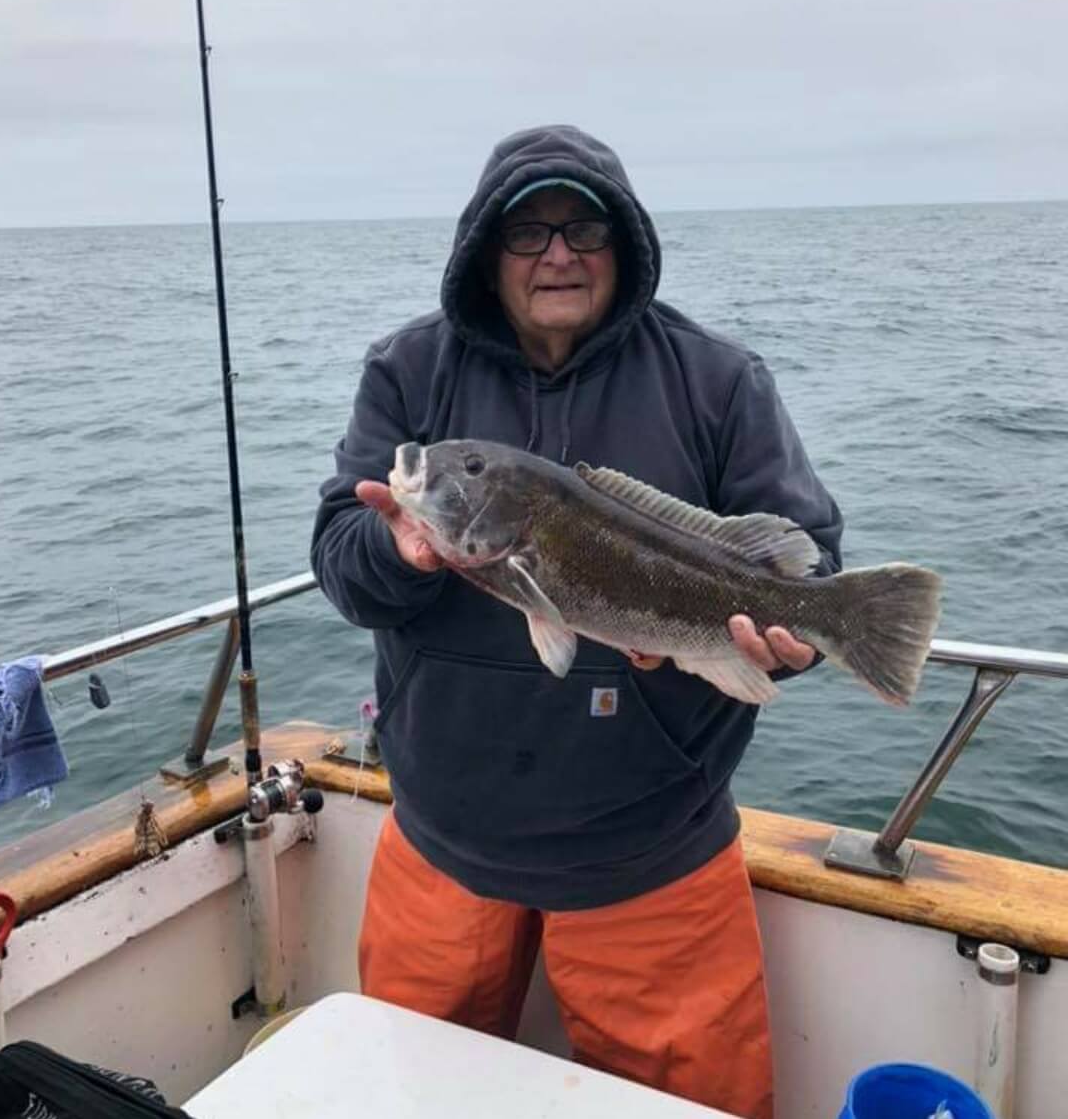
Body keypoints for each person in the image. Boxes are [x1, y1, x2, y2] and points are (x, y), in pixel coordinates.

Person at [312, 125, 843, 1119]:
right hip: (439, 840)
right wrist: (400, 550)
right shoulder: (406, 373)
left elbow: (807, 555)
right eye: (528, 231)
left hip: (655, 850)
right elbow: (341, 557)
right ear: (485, 250)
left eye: (582, 225)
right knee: (410, 1098)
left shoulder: (719, 378)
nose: (557, 252)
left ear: (624, 240)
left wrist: (803, 639)